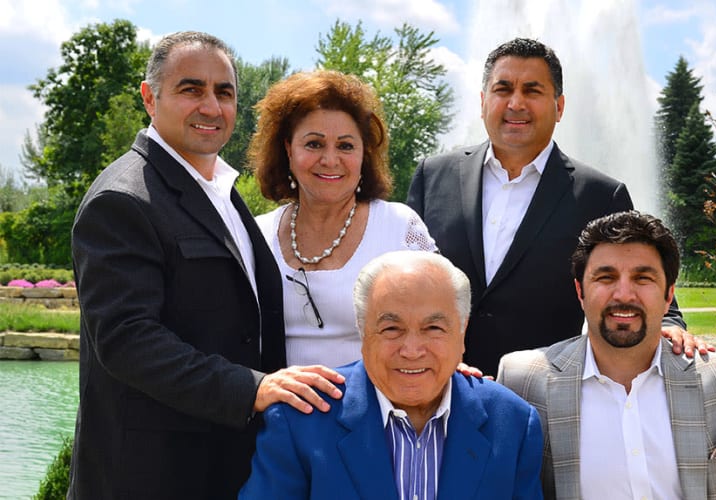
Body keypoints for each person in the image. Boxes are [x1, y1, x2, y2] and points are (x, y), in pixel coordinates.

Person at [68, 32, 343, 499]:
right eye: (191, 89)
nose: (211, 107)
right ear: (150, 97)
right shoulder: (122, 199)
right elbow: (128, 341)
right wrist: (250, 389)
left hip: (222, 467)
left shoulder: (218, 189)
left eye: (224, 92)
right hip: (148, 478)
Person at [407, 37, 700, 375]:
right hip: (435, 385)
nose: (516, 103)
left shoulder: (600, 195)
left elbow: (643, 282)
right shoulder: (433, 176)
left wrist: (671, 326)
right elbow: (399, 278)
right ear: (484, 101)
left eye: (532, 91)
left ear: (559, 107)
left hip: (543, 393)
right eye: (503, 89)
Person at [498, 211, 716, 499]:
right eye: (606, 277)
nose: (624, 294)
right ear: (580, 291)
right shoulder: (523, 382)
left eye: (643, 278)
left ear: (669, 294)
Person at [239, 250, 544, 499]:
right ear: (362, 332)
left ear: (462, 332)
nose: (411, 350)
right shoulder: (301, 420)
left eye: (433, 328)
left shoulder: (513, 423)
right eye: (391, 329)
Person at [249, 69, 437, 369]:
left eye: (346, 146)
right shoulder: (256, 234)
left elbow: (441, 322)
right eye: (314, 144)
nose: (330, 159)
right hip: (278, 412)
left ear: (365, 154)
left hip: (377, 410)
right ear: (288, 149)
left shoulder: (399, 228)